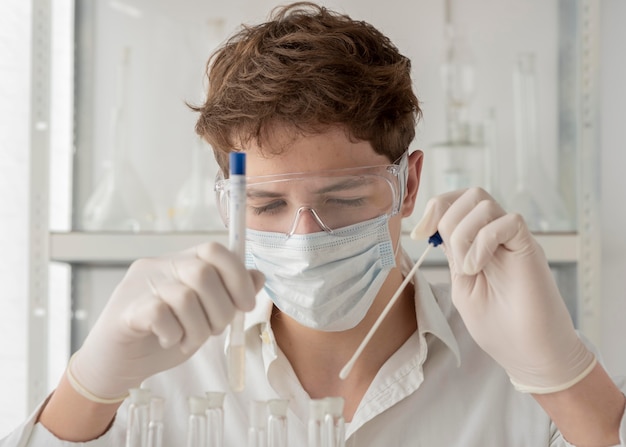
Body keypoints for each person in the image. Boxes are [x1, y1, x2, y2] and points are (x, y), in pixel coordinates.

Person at [3, 2, 625, 446]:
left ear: (407, 184)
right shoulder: (164, 367)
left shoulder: (518, 364)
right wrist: (88, 386)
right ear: (226, 204)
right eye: (267, 206)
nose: (304, 239)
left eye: (346, 199)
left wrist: (563, 376)